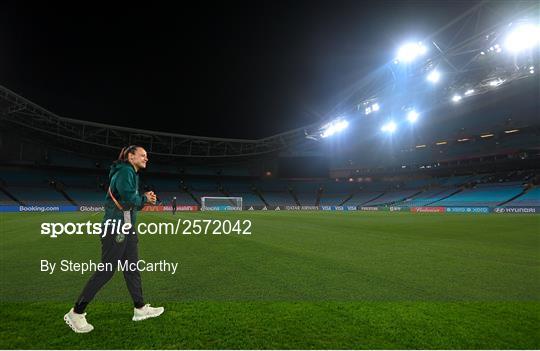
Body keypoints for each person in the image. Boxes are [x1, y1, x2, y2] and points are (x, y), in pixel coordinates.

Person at [64, 145, 164, 333]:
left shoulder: (131, 173)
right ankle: (76, 313)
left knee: (132, 268)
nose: (146, 158)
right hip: (115, 227)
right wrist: (143, 198)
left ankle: (140, 309)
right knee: (107, 270)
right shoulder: (125, 171)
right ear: (130, 156)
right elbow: (129, 200)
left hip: (126, 227)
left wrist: (143, 200)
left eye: (146, 156)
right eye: (143, 155)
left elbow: (132, 205)